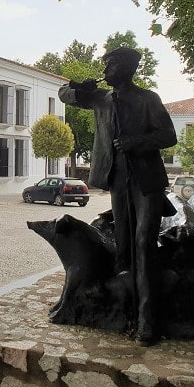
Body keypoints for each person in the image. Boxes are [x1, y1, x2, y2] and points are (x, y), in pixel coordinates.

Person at [58, 46, 177, 344]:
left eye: (111, 64)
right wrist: (76, 88)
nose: (107, 68)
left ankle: (149, 321)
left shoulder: (148, 99)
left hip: (146, 181)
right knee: (124, 248)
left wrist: (138, 141)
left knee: (143, 244)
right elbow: (62, 94)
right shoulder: (101, 99)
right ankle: (126, 312)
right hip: (117, 180)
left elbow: (168, 136)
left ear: (126, 68)